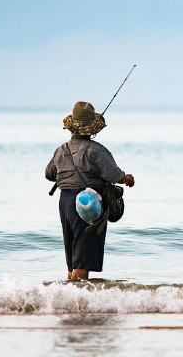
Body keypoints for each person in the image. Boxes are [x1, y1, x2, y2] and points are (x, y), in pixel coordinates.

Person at [45, 101, 135, 280]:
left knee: (73, 259)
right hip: (87, 202)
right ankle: (80, 303)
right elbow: (116, 176)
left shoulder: (61, 150)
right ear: (92, 128)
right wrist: (128, 179)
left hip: (65, 203)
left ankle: (70, 300)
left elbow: (49, 174)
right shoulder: (96, 151)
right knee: (83, 260)